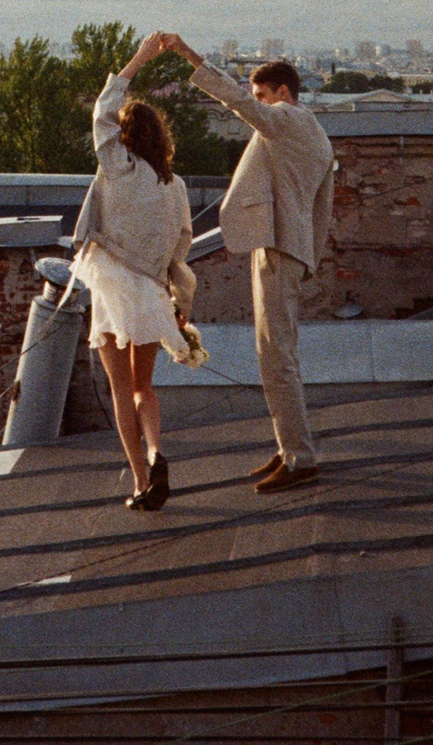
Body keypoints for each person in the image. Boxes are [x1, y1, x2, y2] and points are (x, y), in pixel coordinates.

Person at [160, 33, 334, 493]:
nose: (259, 105)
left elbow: (238, 101)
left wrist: (189, 56)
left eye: (264, 96)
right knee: (277, 353)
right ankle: (289, 448)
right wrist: (309, 254)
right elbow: (323, 208)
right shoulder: (315, 131)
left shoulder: (286, 119)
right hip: (287, 247)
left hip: (278, 246)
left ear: (282, 93)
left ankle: (300, 458)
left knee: (276, 357)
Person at [71, 31, 199, 511]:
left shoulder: (119, 166)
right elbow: (181, 246)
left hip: (110, 285)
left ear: (125, 137)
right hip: (149, 290)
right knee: (145, 386)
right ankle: (156, 448)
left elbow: (102, 111)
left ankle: (142, 483)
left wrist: (139, 59)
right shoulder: (175, 183)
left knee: (119, 389)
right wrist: (177, 306)